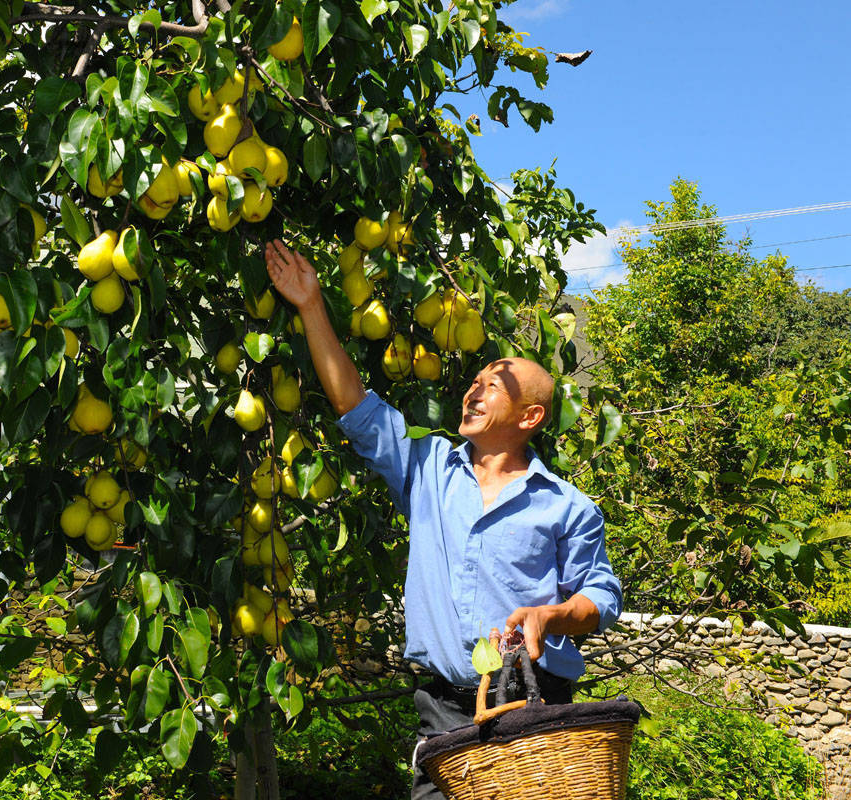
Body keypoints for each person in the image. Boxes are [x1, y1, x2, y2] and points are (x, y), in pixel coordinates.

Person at [263, 240, 622, 799]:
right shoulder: (428, 467)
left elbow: (600, 599)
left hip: (534, 706)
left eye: (493, 385)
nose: (473, 390)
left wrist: (549, 617)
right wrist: (312, 306)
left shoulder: (568, 506)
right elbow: (355, 407)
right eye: (474, 382)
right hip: (444, 708)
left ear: (529, 416)